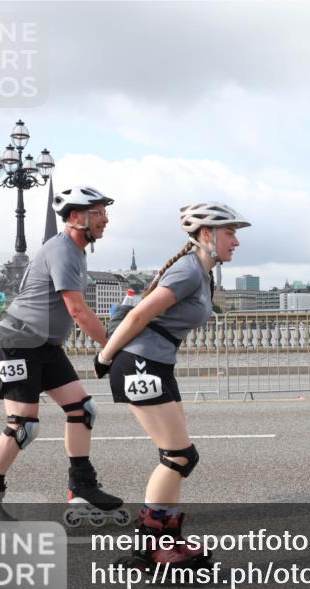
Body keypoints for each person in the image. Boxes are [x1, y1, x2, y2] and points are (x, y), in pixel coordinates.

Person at [94, 201, 247, 567]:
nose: (236, 241)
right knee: (179, 456)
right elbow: (140, 313)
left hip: (157, 364)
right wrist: (104, 357)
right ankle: (150, 547)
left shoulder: (202, 272)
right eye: (230, 233)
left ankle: (168, 540)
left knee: (178, 457)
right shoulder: (188, 272)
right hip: (141, 364)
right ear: (206, 235)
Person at [0, 186, 126, 524]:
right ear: (75, 217)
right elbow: (79, 312)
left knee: (82, 409)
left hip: (43, 344)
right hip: (19, 341)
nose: (105, 219)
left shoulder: (76, 251)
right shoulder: (63, 251)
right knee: (22, 425)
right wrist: (114, 349)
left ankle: (82, 486)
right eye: (98, 212)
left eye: (104, 212)